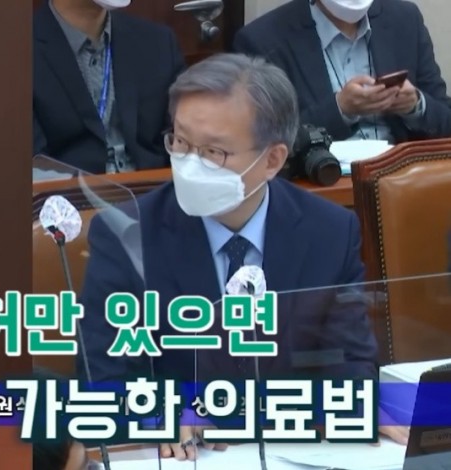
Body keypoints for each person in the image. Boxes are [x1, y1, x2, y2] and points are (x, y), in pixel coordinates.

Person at [78, 53, 407, 460]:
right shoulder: (125, 233)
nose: (189, 164)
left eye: (213, 152)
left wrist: (356, 403)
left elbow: (348, 359)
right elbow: (101, 376)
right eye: (180, 142)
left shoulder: (329, 232)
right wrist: (155, 412)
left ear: (272, 159)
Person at [234, 0, 451, 143]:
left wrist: (415, 105)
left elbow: (445, 118)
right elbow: (263, 143)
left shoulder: (405, 19)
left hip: (401, 176)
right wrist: (341, 109)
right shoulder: (262, 40)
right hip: (321, 182)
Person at [34, 0, 187, 174]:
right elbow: (35, 166)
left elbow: (186, 136)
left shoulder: (158, 41)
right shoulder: (19, 52)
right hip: (71, 188)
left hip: (153, 185)